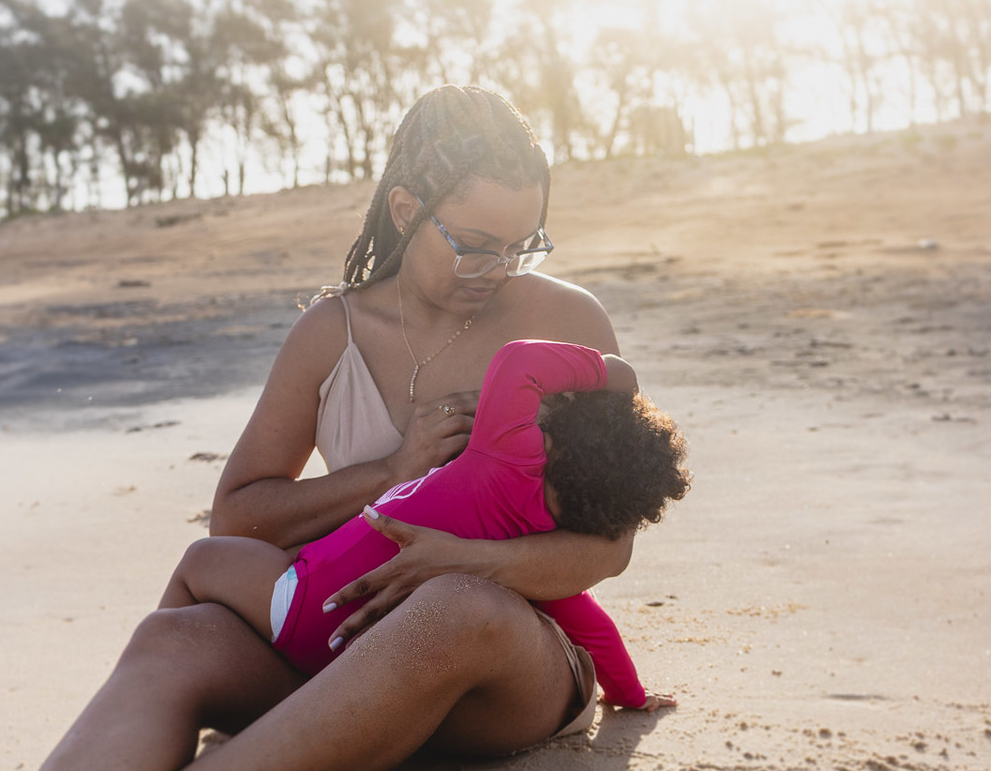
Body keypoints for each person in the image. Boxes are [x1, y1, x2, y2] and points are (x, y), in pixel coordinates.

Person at [43, 85, 673, 771]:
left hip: (503, 665)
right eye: (474, 246)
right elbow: (239, 518)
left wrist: (464, 563)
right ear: (405, 210)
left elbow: (609, 548)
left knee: (451, 606)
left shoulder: (564, 322)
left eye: (521, 247)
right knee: (172, 640)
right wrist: (389, 472)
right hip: (338, 657)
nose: (496, 270)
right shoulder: (330, 333)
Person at [159, 340, 690, 708]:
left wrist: (614, 374)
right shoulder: (545, 554)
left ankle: (158, 667)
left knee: (200, 560)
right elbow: (595, 629)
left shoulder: (509, 452)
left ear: (554, 437)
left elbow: (519, 361)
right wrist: (631, 696)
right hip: (364, 663)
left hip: (305, 606)